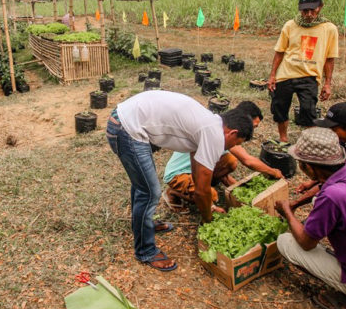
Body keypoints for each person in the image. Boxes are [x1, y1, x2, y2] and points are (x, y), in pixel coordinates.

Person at [106, 90, 254, 272]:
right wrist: (208, 219)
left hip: (125, 120)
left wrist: (206, 202)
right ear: (232, 132)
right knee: (150, 192)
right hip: (126, 128)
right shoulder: (213, 134)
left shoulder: (209, 123)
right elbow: (202, 190)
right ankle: (145, 251)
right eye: (237, 143)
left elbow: (197, 173)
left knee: (143, 186)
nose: (234, 147)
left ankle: (144, 225)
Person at [275, 128, 346, 309]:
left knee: (285, 242)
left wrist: (287, 211)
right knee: (318, 200)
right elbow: (324, 187)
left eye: (301, 163)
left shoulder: (333, 197)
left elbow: (306, 243)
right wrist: (297, 203)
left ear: (309, 167)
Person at [163, 101, 283, 212]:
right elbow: (248, 160)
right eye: (254, 126)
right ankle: (173, 193)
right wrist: (273, 172)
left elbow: (223, 167)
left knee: (230, 161)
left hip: (196, 168)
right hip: (178, 173)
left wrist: (237, 190)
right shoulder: (222, 132)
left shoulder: (225, 127)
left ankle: (202, 185)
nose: (252, 130)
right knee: (211, 195)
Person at [268, 0, 339, 143]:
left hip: (310, 76)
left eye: (312, 10)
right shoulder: (290, 25)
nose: (308, 14)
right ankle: (283, 139)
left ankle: (308, 143)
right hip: (286, 74)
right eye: (304, 10)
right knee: (280, 108)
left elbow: (329, 59)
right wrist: (273, 75)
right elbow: (279, 52)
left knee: (308, 111)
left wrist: (327, 83)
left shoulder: (329, 29)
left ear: (320, 6)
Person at [290, 102, 346, 210]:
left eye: (333, 129)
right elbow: (334, 173)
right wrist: (312, 182)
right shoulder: (343, 141)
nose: (330, 133)